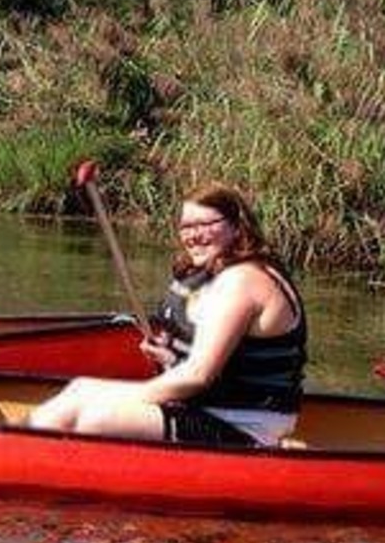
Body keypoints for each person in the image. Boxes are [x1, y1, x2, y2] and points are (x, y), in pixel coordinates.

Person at [27, 182, 306, 446]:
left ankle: (19, 454)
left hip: (241, 426)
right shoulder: (231, 272)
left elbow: (197, 377)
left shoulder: (242, 280)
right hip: (220, 410)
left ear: (236, 226)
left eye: (205, 224)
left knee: (91, 416)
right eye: (187, 226)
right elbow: (221, 365)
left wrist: (131, 397)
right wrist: (173, 359)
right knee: (80, 388)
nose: (193, 235)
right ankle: (21, 445)